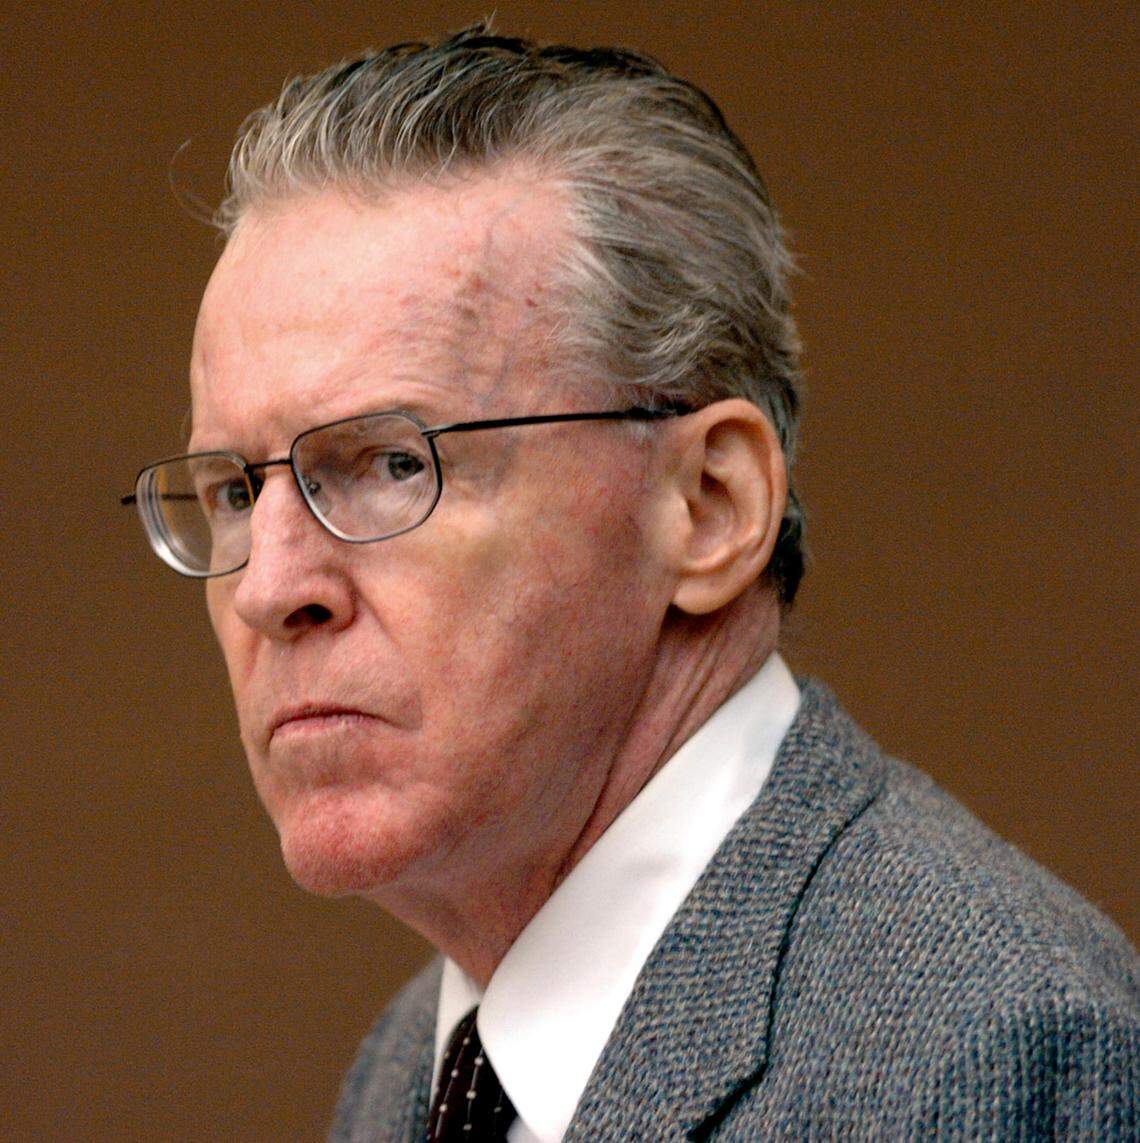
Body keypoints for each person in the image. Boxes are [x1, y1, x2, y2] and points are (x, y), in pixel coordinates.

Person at [123, 25, 1137, 1141]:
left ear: (709, 506)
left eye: (392, 464)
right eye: (234, 490)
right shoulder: (413, 1063)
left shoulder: (1003, 1054)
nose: (269, 587)